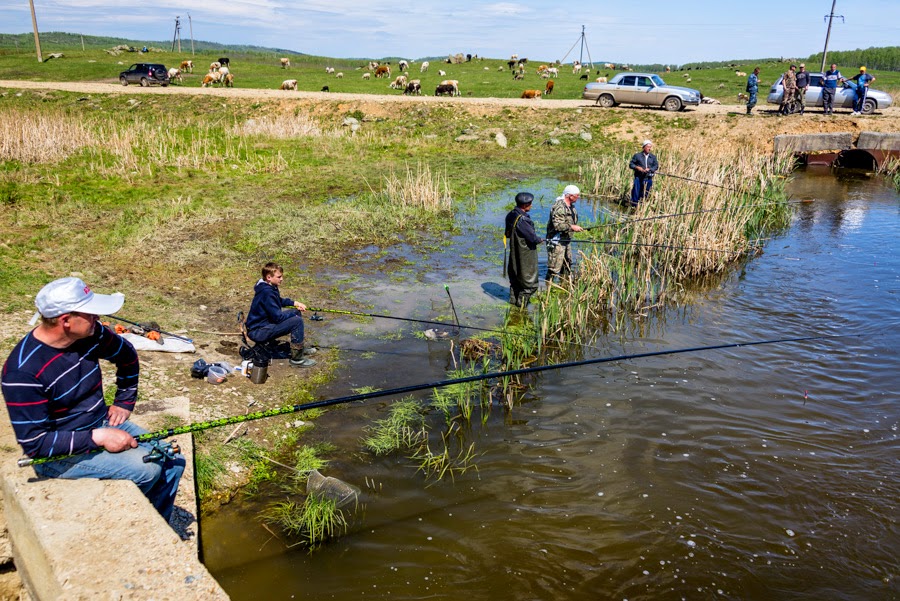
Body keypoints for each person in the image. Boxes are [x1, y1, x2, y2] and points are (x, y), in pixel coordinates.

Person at [1, 277, 184, 522]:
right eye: (91, 313)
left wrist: (124, 401)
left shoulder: (90, 334)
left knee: (173, 460)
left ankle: (160, 524)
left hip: (100, 420)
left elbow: (127, 355)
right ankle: (127, 526)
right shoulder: (22, 373)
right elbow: (36, 444)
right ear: (66, 320)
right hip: (59, 452)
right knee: (148, 469)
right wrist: (99, 437)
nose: (98, 319)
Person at [245, 262, 317, 367]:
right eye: (279, 277)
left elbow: (277, 300)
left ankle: (298, 349)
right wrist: (294, 317)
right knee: (297, 321)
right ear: (269, 277)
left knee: (296, 312)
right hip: (258, 332)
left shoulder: (268, 286)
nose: (282, 279)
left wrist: (295, 303)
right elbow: (278, 318)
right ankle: (297, 359)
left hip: (262, 325)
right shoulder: (267, 292)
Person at [505, 192, 544, 307]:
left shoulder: (511, 214)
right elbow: (532, 238)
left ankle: (513, 304)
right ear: (525, 205)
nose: (531, 206)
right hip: (525, 253)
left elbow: (507, 234)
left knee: (516, 279)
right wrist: (539, 239)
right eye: (530, 204)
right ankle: (521, 309)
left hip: (514, 252)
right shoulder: (523, 220)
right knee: (529, 284)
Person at [545, 185, 584, 284]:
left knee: (567, 263)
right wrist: (571, 227)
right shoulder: (560, 207)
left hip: (566, 240)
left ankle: (564, 284)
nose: (578, 197)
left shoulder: (570, 206)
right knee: (554, 267)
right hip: (556, 240)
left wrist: (572, 227)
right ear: (570, 196)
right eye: (576, 195)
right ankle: (548, 286)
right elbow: (557, 226)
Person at [628, 140, 659, 206]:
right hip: (639, 177)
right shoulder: (637, 156)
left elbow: (656, 166)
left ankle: (642, 204)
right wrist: (637, 168)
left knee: (646, 192)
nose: (649, 148)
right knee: (636, 192)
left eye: (650, 147)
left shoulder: (653, 157)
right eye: (648, 147)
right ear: (644, 147)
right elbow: (631, 164)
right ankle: (634, 205)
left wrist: (650, 169)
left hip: (648, 178)